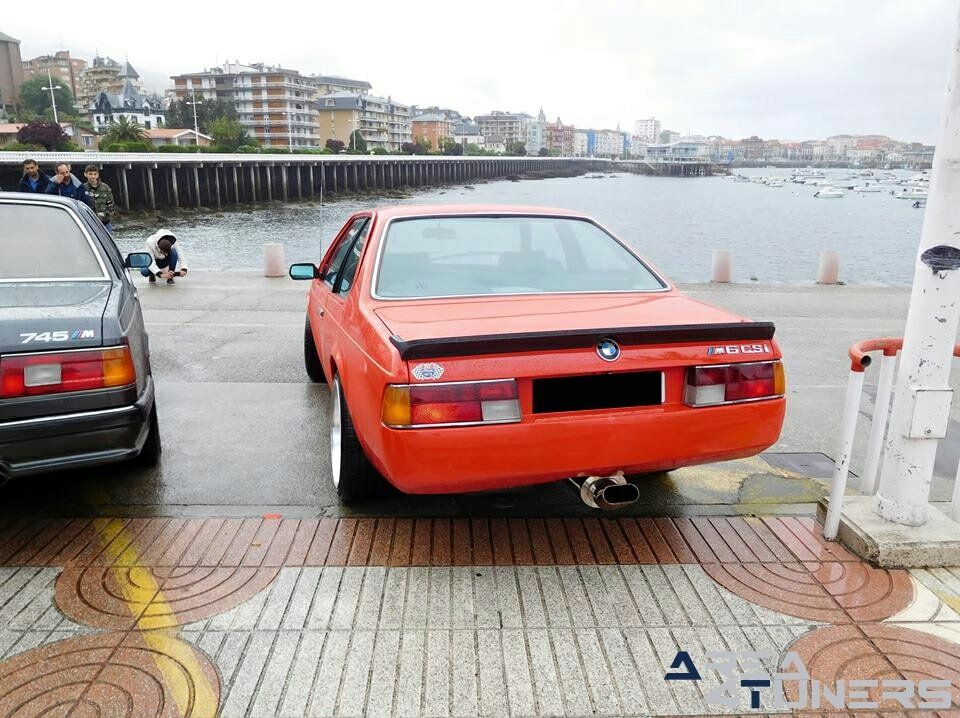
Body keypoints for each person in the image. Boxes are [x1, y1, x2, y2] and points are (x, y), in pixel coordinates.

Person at [82, 164, 116, 231]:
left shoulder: (106, 188)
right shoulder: (82, 188)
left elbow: (111, 206)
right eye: (90, 174)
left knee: (106, 241)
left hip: (105, 223)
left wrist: (104, 217)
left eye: (95, 174)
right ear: (85, 174)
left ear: (98, 175)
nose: (93, 176)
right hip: (89, 223)